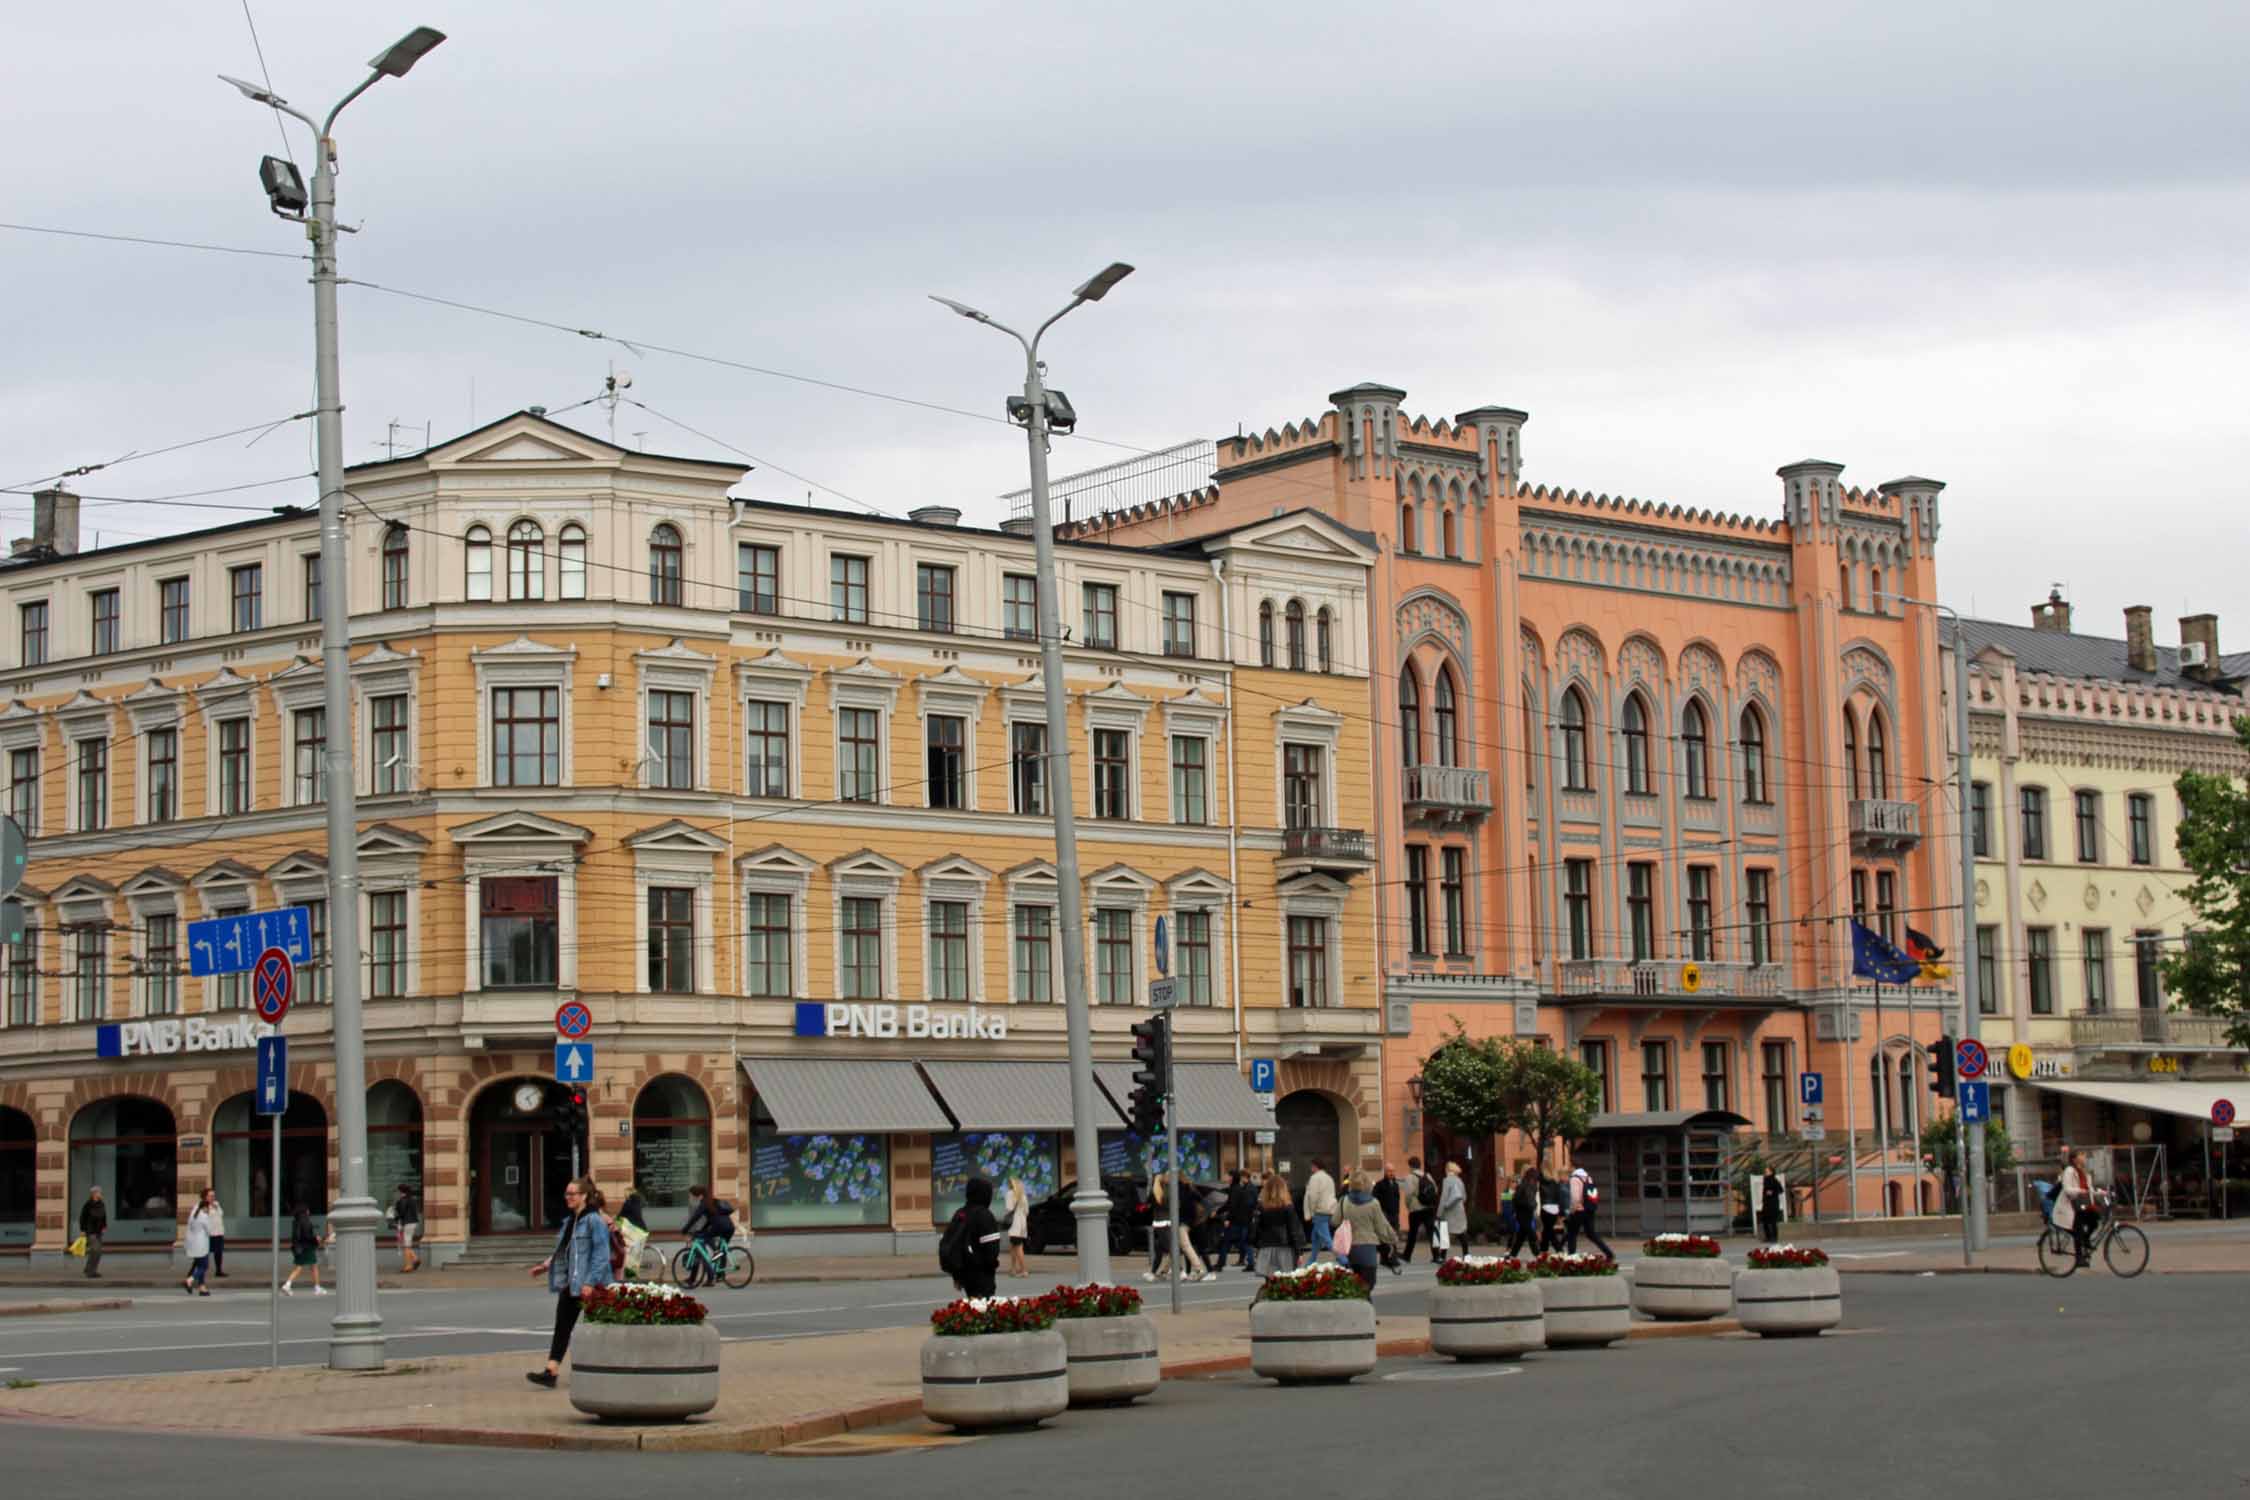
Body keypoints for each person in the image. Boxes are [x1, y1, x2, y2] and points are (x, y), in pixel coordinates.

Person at [527, 1177, 612, 1388]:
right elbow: (563, 1251)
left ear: (584, 1196)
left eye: (572, 1194)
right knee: (562, 1327)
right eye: (566, 1194)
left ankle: (604, 1372)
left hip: (594, 1285)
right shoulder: (570, 1222)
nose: (568, 1198)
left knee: (599, 1330)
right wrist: (545, 1265)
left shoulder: (594, 1220)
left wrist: (590, 1282)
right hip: (571, 1283)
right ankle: (551, 1372)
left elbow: (601, 1255)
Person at [1332, 1170, 1402, 1291]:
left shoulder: (1344, 1201)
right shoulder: (1373, 1203)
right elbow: (1381, 1227)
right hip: (1368, 1249)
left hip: (1349, 1249)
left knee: (1354, 1285)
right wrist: (1393, 1239)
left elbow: (1335, 1221)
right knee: (1368, 1284)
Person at [942, 1176, 1004, 1299]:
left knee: (972, 1307)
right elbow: (992, 1250)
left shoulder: (961, 1213)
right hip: (981, 1274)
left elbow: (952, 1243)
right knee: (981, 1309)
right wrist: (991, 1266)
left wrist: (957, 1275)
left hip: (964, 1273)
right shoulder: (984, 1215)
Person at [1146, 1174, 1212, 1282]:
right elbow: (1201, 1202)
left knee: (1183, 1246)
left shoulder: (1176, 1189)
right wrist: (1206, 1213)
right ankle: (1163, 1271)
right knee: (1172, 1246)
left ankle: (1197, 1269)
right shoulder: (1188, 1188)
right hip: (1184, 1221)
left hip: (1178, 1222)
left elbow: (1157, 1201)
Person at [679, 1184, 736, 1285]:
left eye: (692, 1195)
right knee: (720, 1250)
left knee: (701, 1250)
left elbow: (695, 1218)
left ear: (699, 1195)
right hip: (729, 1227)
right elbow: (713, 1219)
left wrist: (684, 1230)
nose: (691, 1197)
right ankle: (719, 1274)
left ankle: (711, 1275)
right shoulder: (712, 1201)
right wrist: (703, 1229)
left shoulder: (703, 1203)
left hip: (718, 1228)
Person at [1252, 1172, 1308, 1277]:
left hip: (1266, 1247)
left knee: (1269, 1281)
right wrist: (1299, 1252)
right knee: (1285, 1283)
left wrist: (1257, 1246)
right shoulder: (1288, 1208)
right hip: (1285, 1248)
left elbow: (1256, 1229)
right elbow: (1294, 1231)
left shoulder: (1261, 1207)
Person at [2056, 1149, 2099, 1267]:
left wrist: (2102, 1193)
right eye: (2081, 1154)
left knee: (2095, 1219)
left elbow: (2089, 1189)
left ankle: (2086, 1239)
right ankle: (2079, 1259)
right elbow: (2067, 1189)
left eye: (2084, 1154)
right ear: (2074, 1159)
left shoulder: (2085, 1172)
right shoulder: (2069, 1171)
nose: (2084, 1156)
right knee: (2078, 1230)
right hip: (2070, 1206)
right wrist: (2080, 1191)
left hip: (2081, 1204)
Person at [1566, 1163, 1614, 1258]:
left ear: (1573, 1168)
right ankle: (1608, 1253)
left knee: (1572, 1234)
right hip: (1589, 1209)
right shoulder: (1588, 1178)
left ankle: (1571, 1256)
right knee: (1591, 1234)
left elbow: (1575, 1198)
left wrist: (1572, 1210)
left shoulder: (1575, 1179)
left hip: (1579, 1210)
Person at [281, 1202, 327, 1296]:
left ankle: (316, 1287)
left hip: (298, 1247)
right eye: (307, 1209)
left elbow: (298, 1236)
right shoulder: (305, 1221)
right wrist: (316, 1238)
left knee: (308, 1267)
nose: (309, 1211)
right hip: (306, 1248)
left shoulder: (296, 1221)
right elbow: (307, 1236)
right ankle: (288, 1285)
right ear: (305, 1211)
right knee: (308, 1267)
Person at [1403, 1157, 1439, 1263]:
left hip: (1416, 1209)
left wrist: (1408, 1205)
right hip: (1429, 1208)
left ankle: (1407, 1255)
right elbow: (1435, 1190)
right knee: (1431, 1233)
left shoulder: (1410, 1177)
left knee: (1412, 1234)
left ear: (1410, 1166)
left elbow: (1409, 1194)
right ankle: (1436, 1255)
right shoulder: (1427, 1175)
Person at [1222, 1170, 1259, 1270]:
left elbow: (1248, 1204)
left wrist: (1229, 1218)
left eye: (1242, 1177)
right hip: (1244, 1218)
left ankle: (1250, 1262)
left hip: (1245, 1219)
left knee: (1244, 1241)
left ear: (1244, 1177)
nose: (1241, 1179)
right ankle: (1247, 1261)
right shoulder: (1244, 1188)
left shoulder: (1249, 1188)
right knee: (1243, 1241)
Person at [1302, 1159, 1338, 1258]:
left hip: (1319, 1212)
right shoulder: (1329, 1178)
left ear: (1315, 1166)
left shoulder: (1314, 1178)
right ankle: (1310, 1263)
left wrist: (1312, 1212)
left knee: (1327, 1239)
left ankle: (1343, 1260)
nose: (1311, 1168)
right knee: (1315, 1239)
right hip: (1328, 1210)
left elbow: (1313, 1196)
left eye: (1311, 1166)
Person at [1437, 1159, 1470, 1258]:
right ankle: (1466, 1254)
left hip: (1448, 1211)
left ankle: (1442, 1256)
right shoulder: (1460, 1181)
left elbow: (1444, 1197)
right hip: (1459, 1210)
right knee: (1461, 1232)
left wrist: (1439, 1212)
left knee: (1444, 1233)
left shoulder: (1447, 1180)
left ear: (1447, 1169)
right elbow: (1464, 1197)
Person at [1507, 1168, 1542, 1257]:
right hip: (1522, 1213)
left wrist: (1532, 1204)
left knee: (1521, 1236)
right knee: (1530, 1234)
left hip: (1527, 1213)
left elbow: (1528, 1199)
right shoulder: (1523, 1186)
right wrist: (1531, 1204)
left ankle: (1512, 1255)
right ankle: (1537, 1254)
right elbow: (1516, 1200)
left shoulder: (1532, 1186)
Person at [390, 1183, 421, 1273]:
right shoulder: (412, 1199)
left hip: (407, 1223)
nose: (397, 1193)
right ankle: (415, 1259)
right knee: (407, 1243)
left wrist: (395, 1217)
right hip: (413, 1223)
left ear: (401, 1191)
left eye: (398, 1191)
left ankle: (408, 1266)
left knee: (406, 1245)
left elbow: (402, 1213)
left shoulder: (403, 1200)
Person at [1004, 1176, 1030, 1279]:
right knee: (1013, 1246)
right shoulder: (1023, 1195)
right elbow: (1027, 1211)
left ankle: (1024, 1270)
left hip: (1014, 1224)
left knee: (1018, 1247)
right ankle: (1013, 1269)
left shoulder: (1009, 1194)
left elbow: (1008, 1208)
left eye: (1009, 1183)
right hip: (1022, 1224)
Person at [78, 1186, 106, 1279]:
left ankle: (91, 1270)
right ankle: (90, 1271)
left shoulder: (101, 1203)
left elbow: (103, 1216)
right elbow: (82, 1217)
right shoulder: (88, 1204)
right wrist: (82, 1230)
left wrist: (104, 1226)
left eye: (100, 1193)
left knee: (98, 1252)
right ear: (94, 1194)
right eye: (99, 1193)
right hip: (90, 1231)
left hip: (99, 1231)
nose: (100, 1194)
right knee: (95, 1250)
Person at [1539, 1170, 1568, 1251]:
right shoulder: (1555, 1183)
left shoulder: (1541, 1182)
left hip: (1545, 1208)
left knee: (1549, 1231)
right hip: (1554, 1209)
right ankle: (1543, 1250)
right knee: (1547, 1230)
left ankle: (1559, 1250)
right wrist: (1561, 1212)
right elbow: (1559, 1198)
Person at [1760, 1168, 1785, 1245]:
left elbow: (1781, 1190)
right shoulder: (1765, 1180)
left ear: (1771, 1172)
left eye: (1767, 1171)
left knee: (1773, 1221)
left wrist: (1772, 1192)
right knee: (1765, 1220)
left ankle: (1774, 1237)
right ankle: (1768, 1237)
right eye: (1765, 1171)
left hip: (1773, 1204)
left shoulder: (1774, 1180)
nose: (1765, 1172)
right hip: (1766, 1203)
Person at [206, 1192, 228, 1278]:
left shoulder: (216, 1204)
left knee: (218, 1252)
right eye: (211, 1196)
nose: (213, 1197)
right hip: (210, 1233)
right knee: (204, 1253)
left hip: (218, 1232)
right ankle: (197, 1271)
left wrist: (216, 1207)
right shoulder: (203, 1206)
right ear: (206, 1197)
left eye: (213, 1196)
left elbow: (221, 1214)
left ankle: (218, 1270)